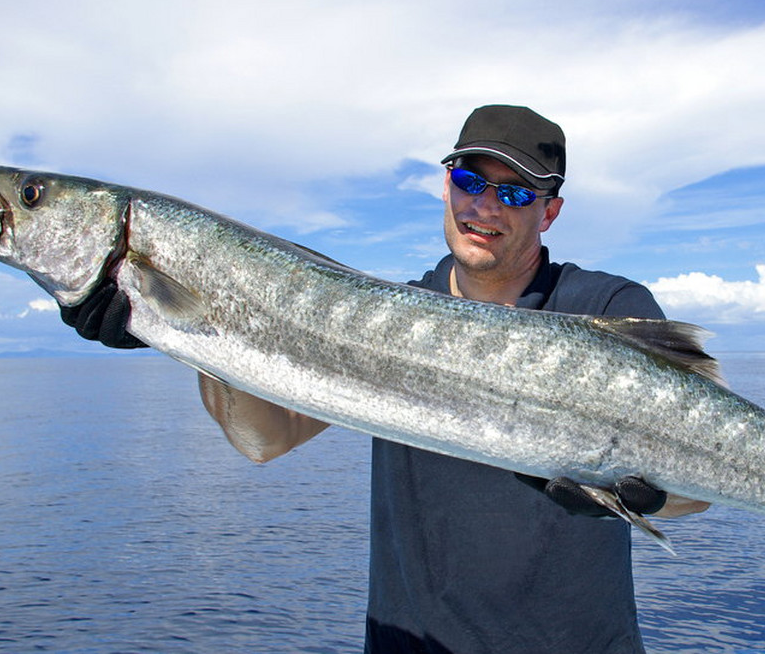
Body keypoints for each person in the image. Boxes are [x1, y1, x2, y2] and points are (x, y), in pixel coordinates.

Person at [63, 105, 709, 653]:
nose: (484, 206)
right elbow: (263, 436)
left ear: (551, 211)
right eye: (468, 180)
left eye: (514, 194)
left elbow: (699, 489)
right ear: (447, 184)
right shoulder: (381, 320)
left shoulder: (606, 311)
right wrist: (181, 335)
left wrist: (648, 493)